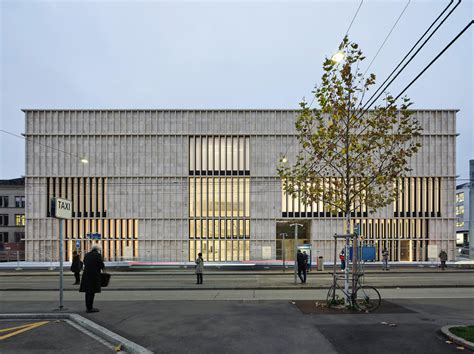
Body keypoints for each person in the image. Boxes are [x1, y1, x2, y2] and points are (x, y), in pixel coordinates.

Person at [79, 244, 104, 313]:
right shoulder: (98, 255)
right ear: (97, 249)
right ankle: (90, 308)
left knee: (87, 292)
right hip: (94, 275)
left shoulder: (87, 254)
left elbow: (84, 262)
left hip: (86, 275)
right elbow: (101, 265)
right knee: (92, 292)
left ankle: (88, 307)